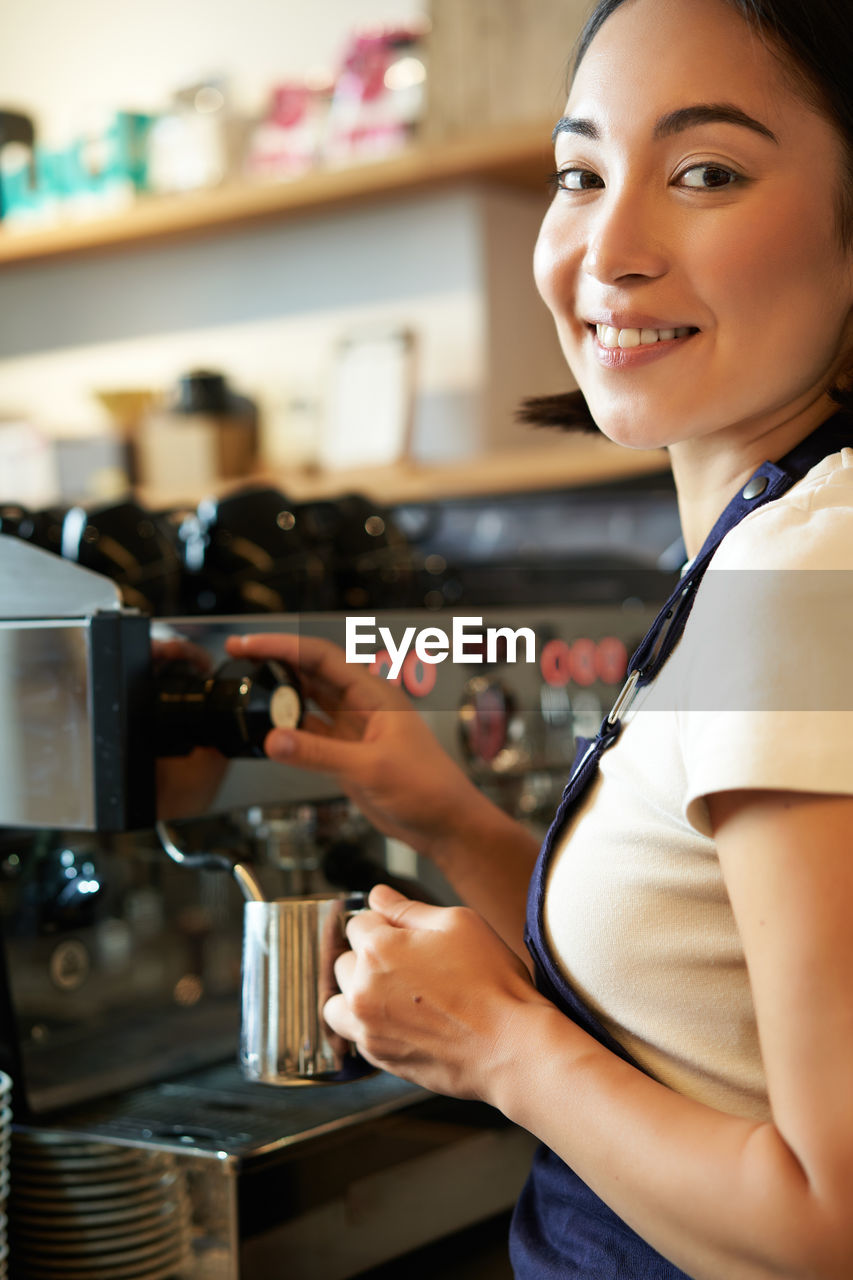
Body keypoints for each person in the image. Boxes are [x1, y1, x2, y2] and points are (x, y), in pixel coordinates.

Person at [227, 0, 853, 1274]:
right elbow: (690, 1013)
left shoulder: (807, 566)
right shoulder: (767, 538)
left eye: (705, 174)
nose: (606, 248)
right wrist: (449, 814)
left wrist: (498, 1046)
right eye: (580, 174)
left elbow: (829, 1222)